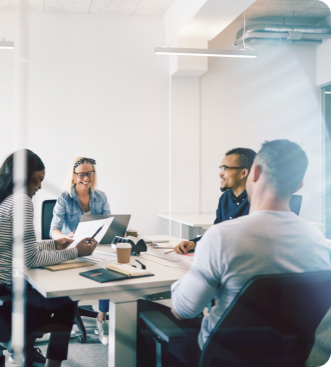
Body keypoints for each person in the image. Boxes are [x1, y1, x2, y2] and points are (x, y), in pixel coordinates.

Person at [141, 139, 331, 367]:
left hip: (221, 356)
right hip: (288, 358)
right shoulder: (321, 245)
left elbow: (183, 311)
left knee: (141, 311)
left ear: (254, 173)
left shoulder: (222, 237)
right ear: (299, 185)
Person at [0, 150, 98, 367]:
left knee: (50, 292)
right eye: (39, 179)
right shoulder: (21, 201)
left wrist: (55, 243)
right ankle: (42, 359)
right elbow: (30, 259)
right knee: (67, 299)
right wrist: (77, 251)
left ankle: (24, 350)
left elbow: (21, 248)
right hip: (1, 291)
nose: (40, 186)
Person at [50, 157, 112, 345]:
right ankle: (65, 317)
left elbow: (108, 223)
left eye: (89, 173)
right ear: (74, 176)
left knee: (109, 269)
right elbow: (53, 229)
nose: (86, 178)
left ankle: (102, 316)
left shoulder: (100, 196)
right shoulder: (64, 198)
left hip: (96, 247)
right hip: (73, 248)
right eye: (81, 174)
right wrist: (65, 237)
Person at [174, 147, 256, 254]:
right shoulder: (225, 198)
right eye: (220, 169)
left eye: (225, 169)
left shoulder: (258, 201)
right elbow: (217, 234)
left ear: (243, 173)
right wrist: (194, 244)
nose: (220, 174)